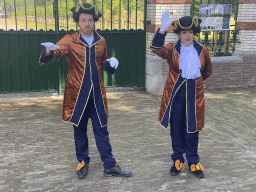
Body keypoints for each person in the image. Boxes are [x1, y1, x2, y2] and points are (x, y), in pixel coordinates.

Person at [39, 3, 132, 179]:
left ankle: (110, 165)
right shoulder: (69, 40)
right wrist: (48, 50)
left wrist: (111, 65)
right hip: (77, 95)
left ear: (94, 21)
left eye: (90, 20)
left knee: (102, 130)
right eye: (83, 20)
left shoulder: (101, 41)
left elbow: (103, 62)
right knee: (80, 131)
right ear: (78, 21)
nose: (87, 24)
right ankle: (83, 162)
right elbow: (54, 55)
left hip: (97, 94)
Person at [150, 10, 212, 178]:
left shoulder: (202, 50)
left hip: (194, 96)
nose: (187, 35)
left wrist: (196, 83)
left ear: (194, 33)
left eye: (190, 32)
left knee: (192, 130)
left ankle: (193, 161)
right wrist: (162, 30)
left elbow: (207, 71)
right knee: (176, 128)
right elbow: (155, 48)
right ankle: (178, 159)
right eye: (184, 32)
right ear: (179, 34)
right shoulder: (171, 49)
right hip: (176, 96)